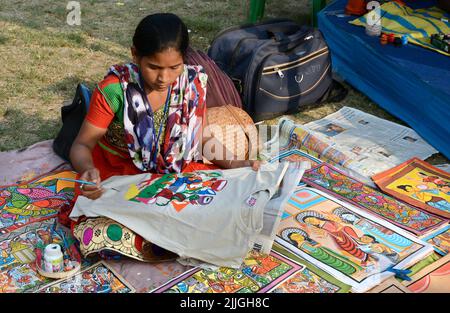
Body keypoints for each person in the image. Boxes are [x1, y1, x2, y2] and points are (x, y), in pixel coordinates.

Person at [70, 13, 259, 200]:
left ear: (184, 59)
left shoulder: (191, 86)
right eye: (153, 67)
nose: (164, 78)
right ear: (135, 55)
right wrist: (87, 170)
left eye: (174, 68)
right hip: (119, 171)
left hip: (172, 168)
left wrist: (235, 163)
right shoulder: (116, 90)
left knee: (217, 201)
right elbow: (82, 144)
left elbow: (201, 136)